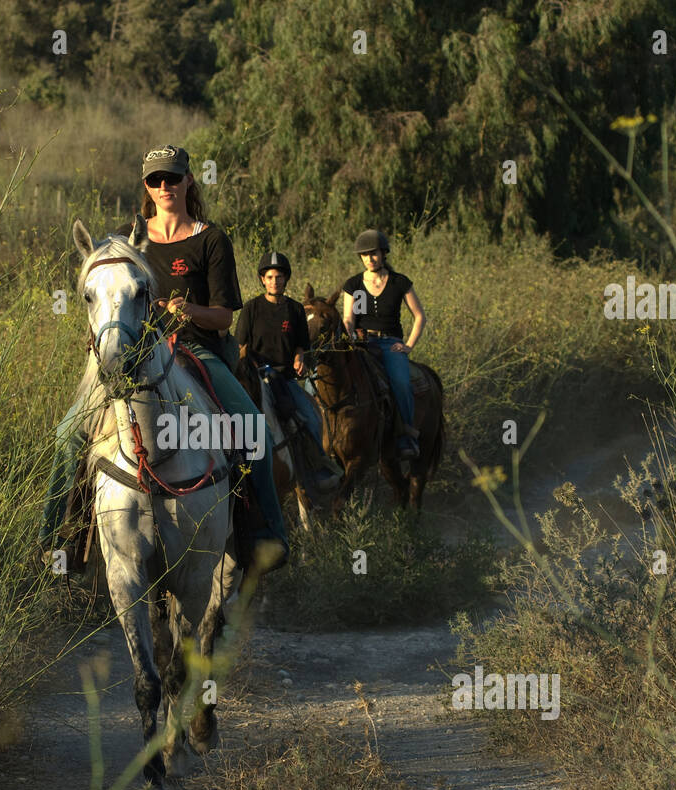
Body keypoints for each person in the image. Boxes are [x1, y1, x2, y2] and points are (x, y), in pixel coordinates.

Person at [39, 145, 289, 573]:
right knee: (68, 434)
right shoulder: (127, 237)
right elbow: (106, 293)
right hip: (133, 354)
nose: (164, 186)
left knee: (254, 434)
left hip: (197, 351)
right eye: (155, 180)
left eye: (172, 178)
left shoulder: (211, 239)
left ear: (189, 180)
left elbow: (226, 315)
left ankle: (263, 536)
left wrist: (186, 310)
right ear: (146, 186)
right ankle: (59, 542)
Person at [235, 251, 342, 494]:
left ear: (286, 280)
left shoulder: (295, 309)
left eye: (280, 277)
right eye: (270, 276)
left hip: (283, 378)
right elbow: (240, 346)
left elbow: (301, 345)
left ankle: (316, 469)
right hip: (256, 376)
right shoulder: (251, 308)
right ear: (263, 279)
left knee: (311, 416)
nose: (275, 281)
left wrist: (299, 358)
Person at [340, 229, 427, 459]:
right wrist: (349, 336)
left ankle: (406, 435)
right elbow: (348, 318)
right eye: (365, 255)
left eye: (374, 253)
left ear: (384, 253)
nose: (370, 258)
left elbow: (419, 316)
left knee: (400, 382)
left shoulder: (400, 282)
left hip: (390, 343)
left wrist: (408, 345)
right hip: (362, 343)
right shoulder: (353, 284)